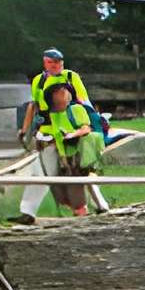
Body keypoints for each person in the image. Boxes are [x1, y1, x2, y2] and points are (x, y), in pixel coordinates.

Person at [29, 82, 107, 214]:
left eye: (63, 93)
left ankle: (99, 206)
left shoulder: (76, 109)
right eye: (59, 94)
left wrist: (72, 135)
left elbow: (86, 128)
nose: (62, 96)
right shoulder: (54, 116)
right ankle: (85, 208)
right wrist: (64, 159)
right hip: (69, 154)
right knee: (67, 182)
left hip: (84, 152)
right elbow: (59, 139)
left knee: (85, 178)